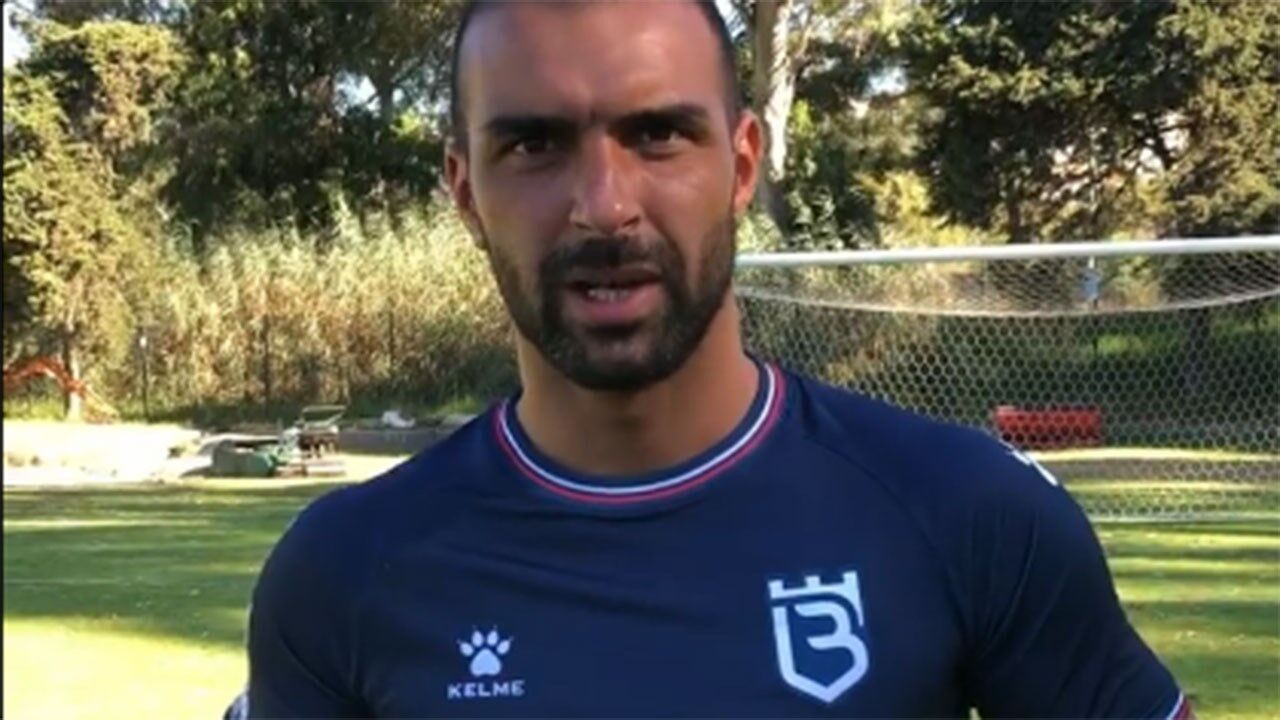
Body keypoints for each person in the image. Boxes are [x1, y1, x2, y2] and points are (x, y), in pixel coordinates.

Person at [231, 1, 1194, 717]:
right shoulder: (344, 573)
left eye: (657, 135)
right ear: (465, 191)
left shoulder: (969, 513)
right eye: (534, 145)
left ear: (739, 166)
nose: (604, 206)